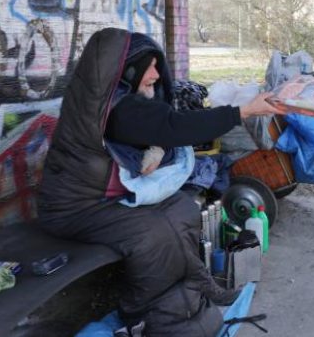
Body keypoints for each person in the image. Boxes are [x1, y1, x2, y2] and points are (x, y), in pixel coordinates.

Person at [37, 29, 281, 337]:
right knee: (152, 234)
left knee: (182, 207)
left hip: (107, 196)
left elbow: (157, 127)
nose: (156, 74)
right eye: (147, 67)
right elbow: (171, 126)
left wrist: (158, 147)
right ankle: (153, 318)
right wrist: (243, 111)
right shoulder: (116, 109)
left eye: (156, 65)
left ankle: (197, 286)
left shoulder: (109, 99)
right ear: (124, 71)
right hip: (75, 208)